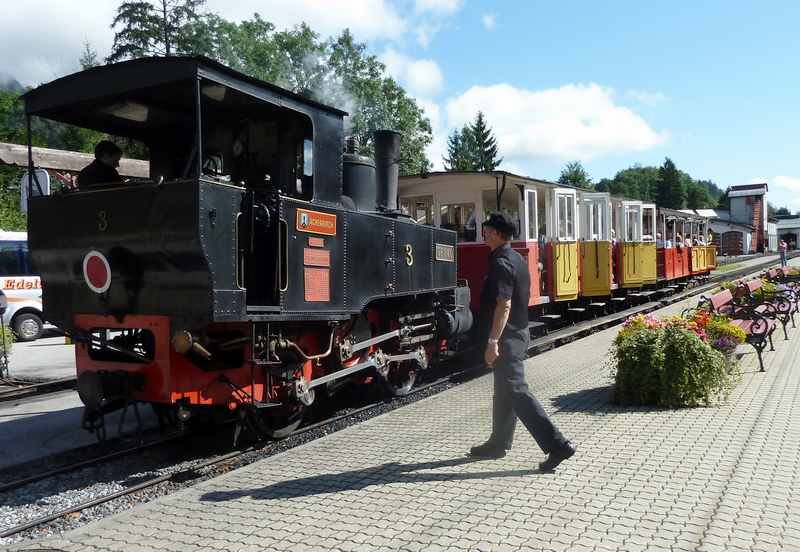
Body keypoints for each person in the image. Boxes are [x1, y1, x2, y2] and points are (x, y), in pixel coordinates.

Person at [469, 212, 576, 471]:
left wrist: (493, 340)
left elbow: (503, 304)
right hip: (518, 332)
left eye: (485, 230)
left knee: (517, 391)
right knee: (504, 391)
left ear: (495, 232)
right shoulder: (515, 257)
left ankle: (558, 444)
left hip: (507, 338)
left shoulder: (501, 263)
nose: (483, 234)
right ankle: (498, 443)